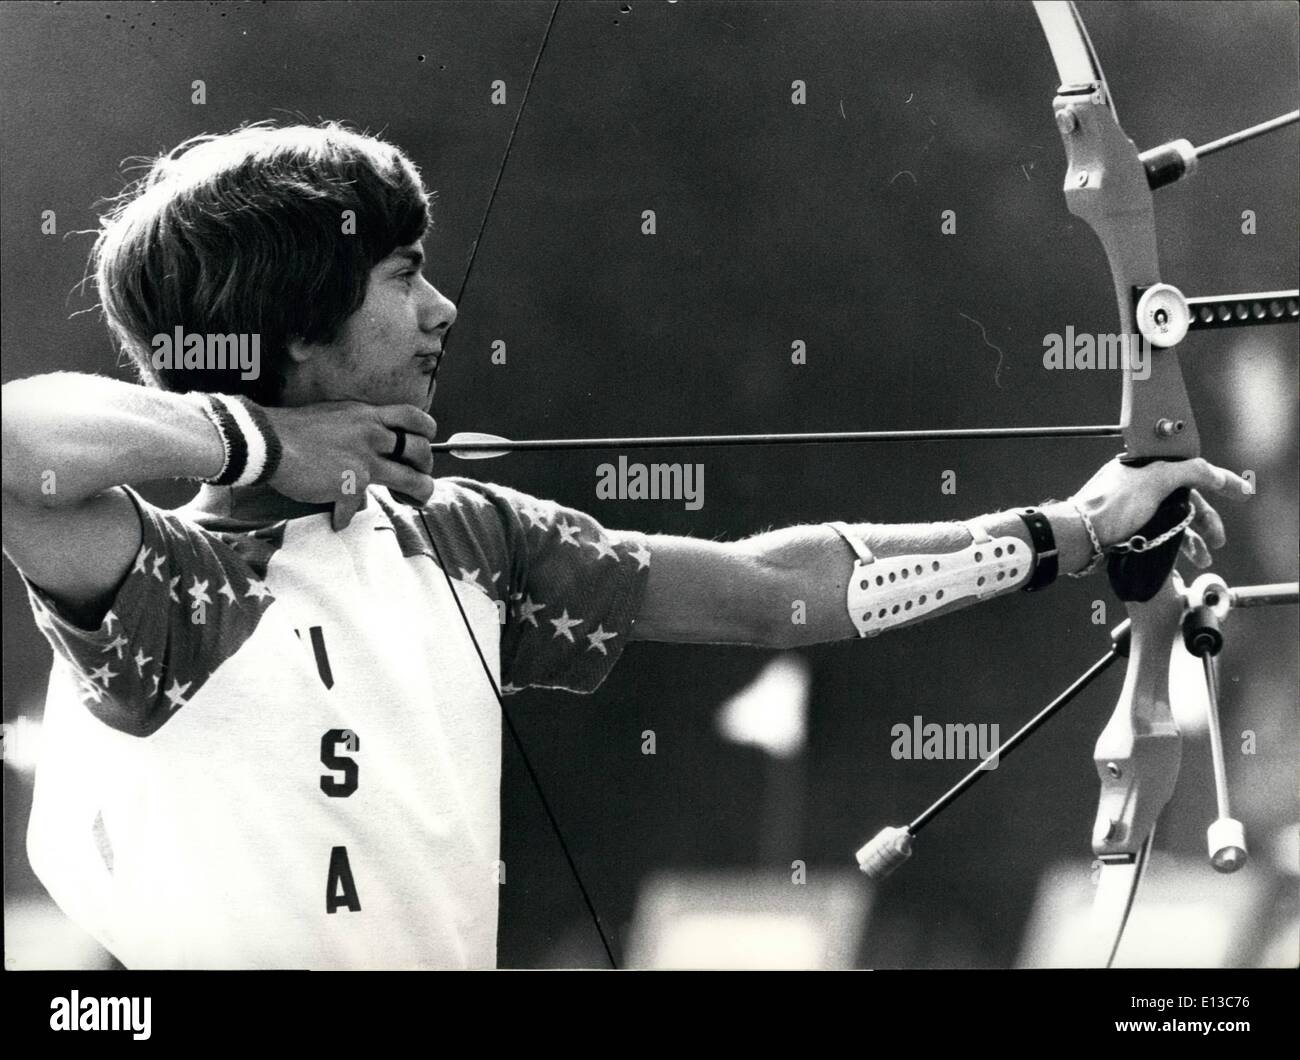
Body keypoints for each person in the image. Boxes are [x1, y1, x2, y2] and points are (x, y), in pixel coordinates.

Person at [0, 122, 1247, 969]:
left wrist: (1069, 530)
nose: (440, 308)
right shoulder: (173, 586)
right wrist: (266, 446)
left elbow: (773, 594)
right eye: (399, 274)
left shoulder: (460, 537)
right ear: (292, 316)